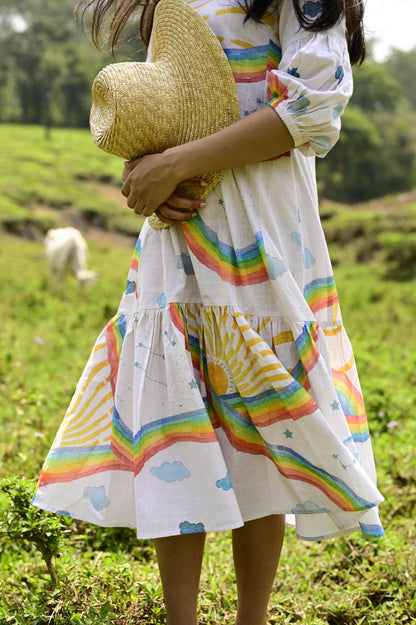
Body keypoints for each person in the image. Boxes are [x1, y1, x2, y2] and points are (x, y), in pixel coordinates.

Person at [32, 0, 384, 623]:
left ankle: (252, 617)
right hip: (179, 232)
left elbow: (314, 103)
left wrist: (178, 164)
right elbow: (162, 108)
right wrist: (146, 170)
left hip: (262, 234)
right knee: (175, 426)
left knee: (261, 419)